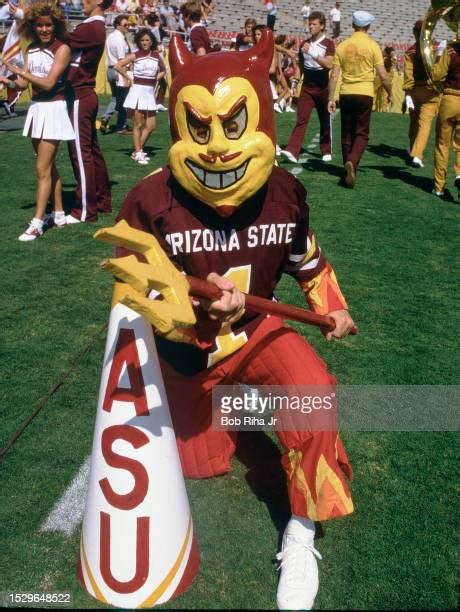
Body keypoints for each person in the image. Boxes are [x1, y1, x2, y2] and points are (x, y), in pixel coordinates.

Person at [113, 30, 354, 611]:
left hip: (256, 334)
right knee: (203, 465)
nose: (218, 147)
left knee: (313, 392)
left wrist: (332, 305)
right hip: (190, 351)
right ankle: (236, 411)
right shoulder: (148, 202)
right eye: (199, 128)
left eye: (232, 124)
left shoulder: (285, 191)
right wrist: (189, 308)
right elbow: (130, 295)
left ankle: (300, 533)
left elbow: (308, 259)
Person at [0, 1, 74, 241]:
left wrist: (20, 71)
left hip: (54, 109)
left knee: (41, 169)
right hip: (37, 109)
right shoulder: (30, 48)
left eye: (48, 25)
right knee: (48, 165)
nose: (44, 29)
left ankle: (38, 222)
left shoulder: (62, 49)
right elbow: (25, 84)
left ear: (56, 26)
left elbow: (49, 83)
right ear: (33, 26)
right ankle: (60, 212)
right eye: (40, 25)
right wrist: (8, 81)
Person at [328, 10, 392, 187]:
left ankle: (347, 167)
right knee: (362, 133)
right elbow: (384, 75)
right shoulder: (373, 46)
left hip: (346, 92)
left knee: (346, 132)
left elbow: (334, 76)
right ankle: (353, 162)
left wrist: (331, 98)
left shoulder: (342, 45)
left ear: (353, 25)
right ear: (368, 26)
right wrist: (390, 93)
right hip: (365, 92)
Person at [65, 0, 113, 224]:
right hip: (85, 95)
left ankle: (85, 210)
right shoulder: (94, 26)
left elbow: (59, 38)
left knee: (80, 153)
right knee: (92, 152)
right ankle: (102, 200)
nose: (82, 1)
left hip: (79, 94)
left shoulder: (92, 27)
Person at [281, 11, 335, 163]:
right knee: (301, 118)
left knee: (325, 119)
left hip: (323, 86)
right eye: (309, 24)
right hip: (307, 87)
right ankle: (292, 150)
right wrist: (293, 85)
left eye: (314, 24)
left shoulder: (328, 44)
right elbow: (300, 68)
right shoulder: (304, 44)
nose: (310, 27)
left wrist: (311, 51)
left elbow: (329, 64)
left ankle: (326, 149)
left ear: (322, 26)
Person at [115, 27, 166, 164]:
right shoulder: (135, 55)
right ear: (139, 41)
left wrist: (156, 78)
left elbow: (163, 70)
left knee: (151, 125)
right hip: (137, 91)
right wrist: (128, 77)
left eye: (147, 40)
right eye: (142, 40)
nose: (144, 42)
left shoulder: (156, 56)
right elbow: (118, 66)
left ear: (151, 41)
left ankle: (137, 149)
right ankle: (138, 152)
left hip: (149, 93)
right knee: (137, 123)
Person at [403, 20, 441, 168]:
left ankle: (413, 148)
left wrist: (407, 92)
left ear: (414, 33)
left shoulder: (410, 51)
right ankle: (417, 155)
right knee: (424, 125)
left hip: (414, 91)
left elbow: (408, 75)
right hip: (431, 91)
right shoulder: (435, 49)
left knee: (413, 123)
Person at [431, 41, 460, 199]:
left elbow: (437, 75)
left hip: (450, 98)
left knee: (442, 144)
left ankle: (439, 186)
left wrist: (439, 56)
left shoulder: (450, 50)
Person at [100, 14, 131, 134]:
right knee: (123, 100)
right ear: (118, 26)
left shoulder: (111, 36)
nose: (128, 27)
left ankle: (106, 118)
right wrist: (126, 76)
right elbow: (121, 60)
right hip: (119, 70)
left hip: (110, 70)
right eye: (125, 25)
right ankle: (121, 126)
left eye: (128, 24)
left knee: (115, 98)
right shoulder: (119, 40)